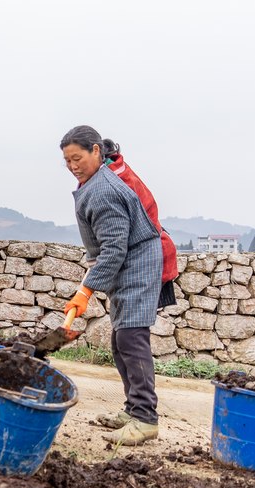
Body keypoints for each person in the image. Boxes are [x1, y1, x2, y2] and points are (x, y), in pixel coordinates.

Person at [60, 125, 163, 446]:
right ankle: (133, 410)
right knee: (121, 342)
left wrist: (85, 291)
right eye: (67, 161)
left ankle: (145, 418)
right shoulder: (95, 183)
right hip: (127, 268)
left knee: (132, 340)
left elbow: (114, 249)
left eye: (78, 157)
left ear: (96, 151)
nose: (73, 165)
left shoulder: (103, 191)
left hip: (138, 267)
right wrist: (87, 286)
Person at [101, 138, 179, 308]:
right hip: (153, 253)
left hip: (150, 258)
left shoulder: (116, 181)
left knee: (135, 322)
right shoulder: (117, 173)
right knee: (130, 323)